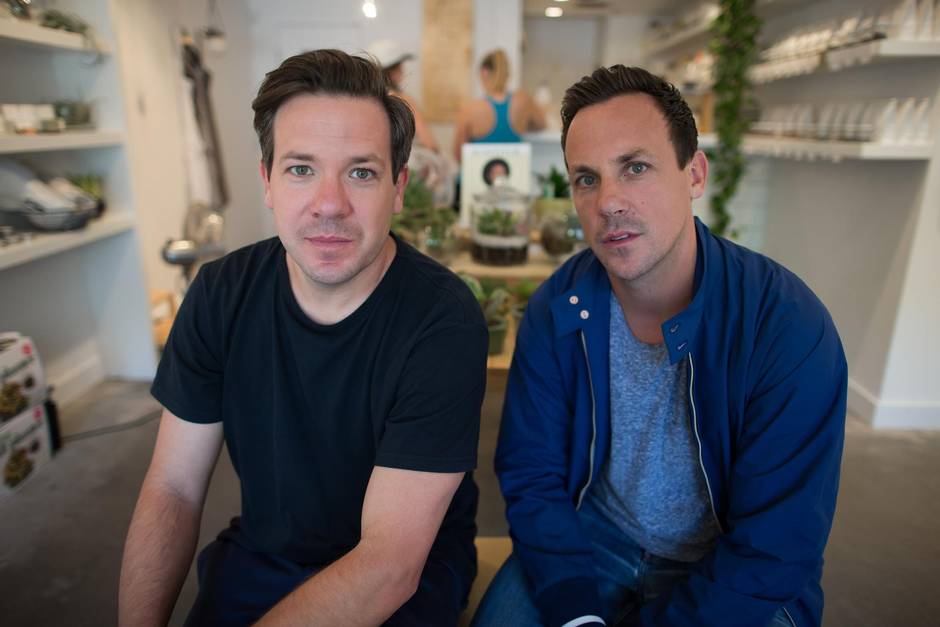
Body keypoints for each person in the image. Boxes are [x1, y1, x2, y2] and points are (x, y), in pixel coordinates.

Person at [118, 49, 488, 627]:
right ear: (267, 181)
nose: (329, 205)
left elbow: (389, 565)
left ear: (398, 187)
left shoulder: (443, 321)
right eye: (300, 169)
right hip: (263, 558)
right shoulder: (221, 293)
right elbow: (174, 487)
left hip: (407, 576)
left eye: (361, 172)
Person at [472, 66, 847, 627]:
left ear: (694, 173)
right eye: (586, 179)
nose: (608, 202)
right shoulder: (558, 307)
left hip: (727, 570)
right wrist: (576, 613)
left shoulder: (786, 326)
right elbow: (532, 472)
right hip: (592, 541)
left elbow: (775, 546)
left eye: (636, 167)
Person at [453, 49, 546, 162]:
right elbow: (541, 124)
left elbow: (458, 155)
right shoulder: (523, 101)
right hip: (513, 172)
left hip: (477, 173)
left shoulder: (469, 109)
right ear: (507, 74)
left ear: (484, 73)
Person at [369, 39, 440, 153]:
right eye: (400, 66)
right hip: (409, 161)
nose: (403, 70)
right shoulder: (402, 99)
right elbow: (429, 143)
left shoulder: (367, 99)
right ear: (392, 70)